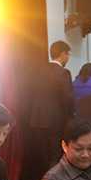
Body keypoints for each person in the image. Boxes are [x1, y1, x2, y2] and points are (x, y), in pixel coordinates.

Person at [29, 40, 75, 169]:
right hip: (55, 120)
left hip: (37, 120)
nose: (68, 59)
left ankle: (46, 179)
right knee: (56, 155)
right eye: (68, 55)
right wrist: (71, 114)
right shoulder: (63, 73)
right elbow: (68, 98)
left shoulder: (38, 72)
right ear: (63, 54)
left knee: (45, 157)